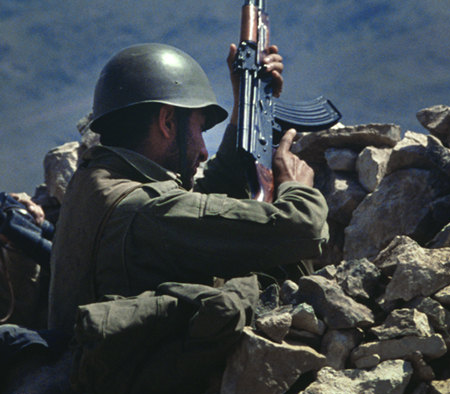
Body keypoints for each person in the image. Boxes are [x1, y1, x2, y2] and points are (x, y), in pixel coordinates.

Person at [47, 42, 329, 333]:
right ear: (168, 122)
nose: (205, 152)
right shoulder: (148, 212)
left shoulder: (93, 178)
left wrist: (248, 105)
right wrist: (297, 188)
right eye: (200, 128)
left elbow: (199, 207)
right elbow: (302, 228)